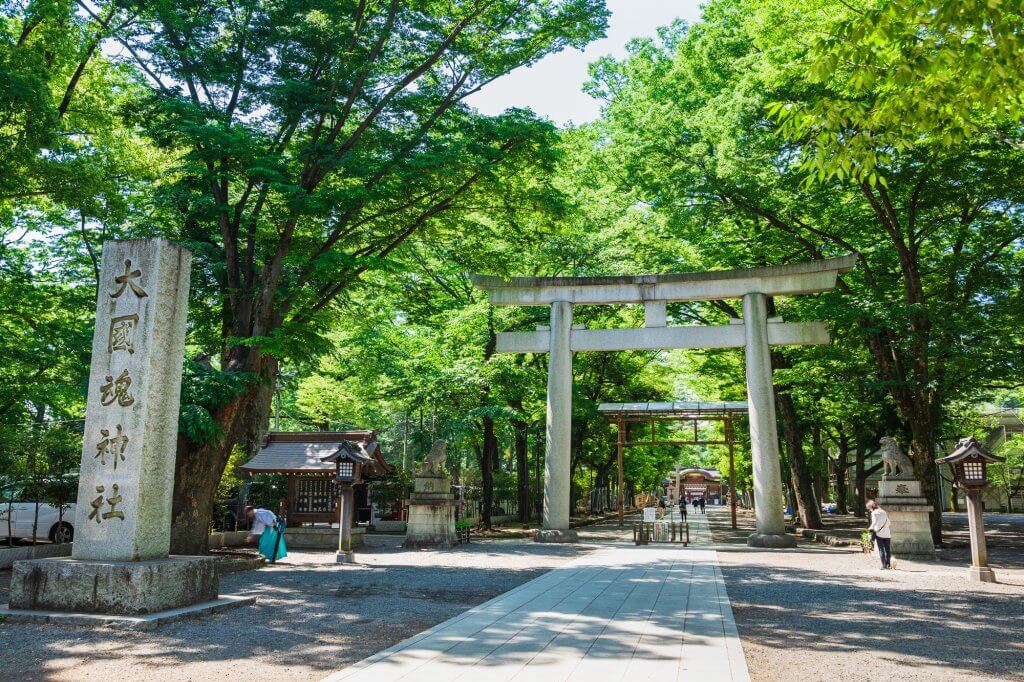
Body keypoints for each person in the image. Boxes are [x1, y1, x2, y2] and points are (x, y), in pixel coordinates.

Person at [866, 500, 892, 569]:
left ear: (871, 507)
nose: (869, 510)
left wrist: (870, 528)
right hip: (887, 533)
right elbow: (889, 522)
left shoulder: (874, 513)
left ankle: (883, 565)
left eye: (869, 508)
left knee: (881, 549)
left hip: (879, 534)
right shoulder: (883, 511)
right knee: (887, 550)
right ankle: (888, 564)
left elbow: (874, 522)